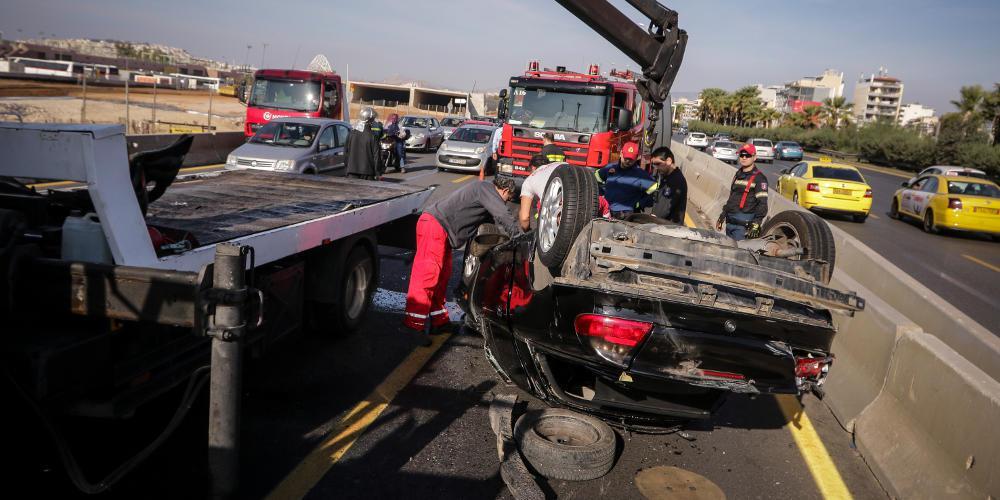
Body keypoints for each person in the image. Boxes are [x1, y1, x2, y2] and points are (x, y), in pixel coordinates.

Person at [404, 176, 522, 340]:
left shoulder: (483, 194)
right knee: (427, 275)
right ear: (505, 191)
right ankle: (413, 326)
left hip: (441, 231)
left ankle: (439, 321)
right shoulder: (485, 189)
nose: (506, 202)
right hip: (435, 225)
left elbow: (491, 225)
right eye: (507, 199)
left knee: (442, 276)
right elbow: (503, 214)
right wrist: (519, 239)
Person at [716, 143, 768, 240]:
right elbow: (732, 198)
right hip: (730, 224)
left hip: (742, 228)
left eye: (747, 155)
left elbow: (763, 204)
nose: (744, 158)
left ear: (754, 157)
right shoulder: (737, 175)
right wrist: (722, 216)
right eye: (741, 155)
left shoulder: (760, 178)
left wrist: (756, 223)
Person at [594, 142, 658, 219]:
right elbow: (595, 178)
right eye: (626, 158)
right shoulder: (610, 168)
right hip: (606, 210)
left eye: (631, 159)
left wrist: (639, 204)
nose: (628, 161)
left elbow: (654, 189)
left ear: (637, 157)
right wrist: (601, 195)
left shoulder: (641, 174)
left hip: (625, 214)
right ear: (621, 153)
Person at [518, 154, 564, 231]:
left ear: (532, 167)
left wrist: (527, 230)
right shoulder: (561, 164)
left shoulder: (530, 179)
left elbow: (524, 217)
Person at [649, 146, 687, 224]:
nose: (656, 168)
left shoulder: (676, 181)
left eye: (658, 164)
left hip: (668, 229)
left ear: (669, 161)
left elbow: (662, 210)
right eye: (654, 165)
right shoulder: (667, 177)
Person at [345, 107, 381, 180]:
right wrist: (377, 173)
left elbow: (346, 152)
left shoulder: (351, 134)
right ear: (370, 121)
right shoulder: (373, 136)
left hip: (352, 172)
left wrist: (348, 167)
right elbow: (376, 157)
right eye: (373, 120)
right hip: (368, 173)